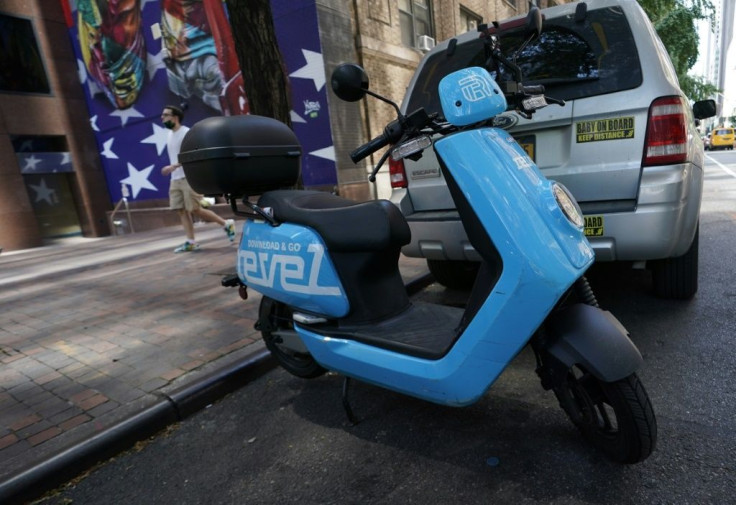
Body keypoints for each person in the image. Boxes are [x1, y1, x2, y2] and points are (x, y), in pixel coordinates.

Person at [160, 105, 235, 252]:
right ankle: (191, 241)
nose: (162, 118)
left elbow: (193, 154)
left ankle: (226, 223)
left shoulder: (186, 133)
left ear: (175, 117)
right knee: (181, 210)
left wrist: (173, 166)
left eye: (165, 115)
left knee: (194, 209)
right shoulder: (169, 135)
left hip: (188, 177)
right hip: (175, 179)